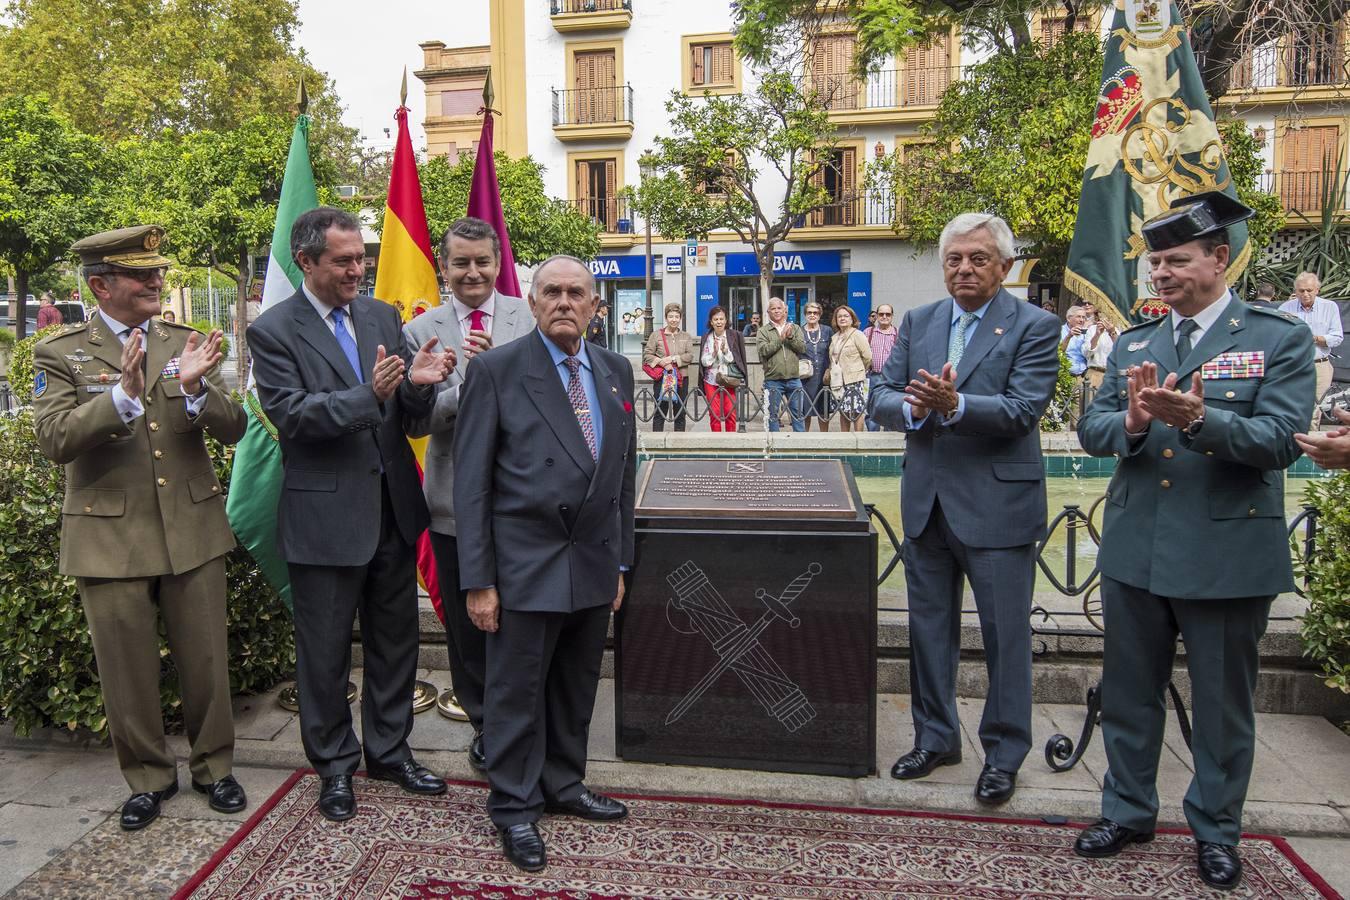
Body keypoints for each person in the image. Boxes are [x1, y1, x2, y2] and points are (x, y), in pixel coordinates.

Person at [1074, 192, 1315, 892]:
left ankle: (1215, 829)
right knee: (1128, 694)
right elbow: (1094, 434)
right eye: (1155, 263)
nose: (1161, 274)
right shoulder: (1136, 342)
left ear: (1218, 258)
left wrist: (1204, 421)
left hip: (1224, 554)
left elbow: (1279, 442)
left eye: (1176, 260)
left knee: (1220, 705)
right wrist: (1139, 423)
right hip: (1137, 548)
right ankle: (1126, 811)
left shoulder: (1276, 336)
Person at [32, 225, 248, 830]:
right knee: (126, 670)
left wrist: (198, 387)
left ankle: (215, 768)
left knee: (206, 660)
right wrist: (121, 398)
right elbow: (52, 440)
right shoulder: (61, 351)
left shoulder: (185, 342)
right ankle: (149, 778)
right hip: (108, 537)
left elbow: (236, 428)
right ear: (101, 285)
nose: (156, 281)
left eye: (157, 271)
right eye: (139, 274)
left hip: (192, 526)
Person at [246, 207, 454, 822]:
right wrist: (374, 394)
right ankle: (335, 766)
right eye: (343, 261)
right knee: (326, 653)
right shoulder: (273, 331)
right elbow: (294, 419)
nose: (358, 270)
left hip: (391, 513)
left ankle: (389, 752)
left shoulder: (381, 315)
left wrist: (419, 387)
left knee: (396, 644)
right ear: (306, 261)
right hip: (325, 521)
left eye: (361, 257)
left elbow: (408, 420)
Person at [869, 212, 1059, 808]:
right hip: (926, 504)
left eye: (978, 258)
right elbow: (880, 396)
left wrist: (955, 405)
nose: (964, 268)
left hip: (998, 507)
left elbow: (1023, 409)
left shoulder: (1034, 325)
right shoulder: (919, 321)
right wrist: (917, 410)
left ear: (1004, 266)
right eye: (954, 258)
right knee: (928, 632)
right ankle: (935, 738)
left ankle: (1003, 754)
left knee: (1005, 638)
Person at [453, 254, 635, 873]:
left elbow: (622, 478)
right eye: (551, 292)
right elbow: (471, 484)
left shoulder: (616, 371)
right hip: (522, 565)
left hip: (592, 561)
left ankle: (564, 783)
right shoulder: (498, 371)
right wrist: (479, 581)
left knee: (575, 685)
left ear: (594, 307)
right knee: (515, 692)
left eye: (576, 293)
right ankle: (514, 805)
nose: (563, 301)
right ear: (531, 305)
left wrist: (620, 566)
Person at [402, 216, 534, 771]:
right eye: (461, 262)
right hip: (455, 506)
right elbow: (415, 423)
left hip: (523, 506)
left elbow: (543, 404)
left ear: (498, 263)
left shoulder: (529, 316)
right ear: (444, 267)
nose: (473, 272)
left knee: (524, 623)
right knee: (465, 626)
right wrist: (464, 384)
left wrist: (496, 375)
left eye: (482, 261)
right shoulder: (420, 330)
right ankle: (482, 724)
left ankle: (526, 723)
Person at [1278, 272, 1343, 428]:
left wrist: (1312, 338)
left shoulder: (1329, 307)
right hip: (1293, 364)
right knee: (1290, 405)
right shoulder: (1285, 308)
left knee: (1315, 411)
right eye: (1301, 291)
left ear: (1317, 290)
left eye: (1309, 290)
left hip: (1320, 364)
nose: (1305, 294)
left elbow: (1337, 337)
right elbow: (1277, 335)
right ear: (1295, 291)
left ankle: (1310, 448)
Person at [757, 297, 807, 432]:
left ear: (785, 310)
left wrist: (790, 337)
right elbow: (763, 351)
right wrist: (781, 339)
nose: (776, 311)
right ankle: (775, 447)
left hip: (794, 378)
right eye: (773, 308)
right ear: (768, 312)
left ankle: (800, 446)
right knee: (772, 416)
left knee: (798, 414)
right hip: (773, 380)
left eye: (779, 308)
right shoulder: (763, 331)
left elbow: (802, 348)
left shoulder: (795, 328)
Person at [642, 302, 694, 432]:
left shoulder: (686, 336)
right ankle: (657, 443)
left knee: (680, 413)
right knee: (660, 412)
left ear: (680, 318)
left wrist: (672, 359)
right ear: (666, 318)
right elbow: (647, 355)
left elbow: (690, 356)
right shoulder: (656, 335)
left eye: (677, 317)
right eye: (671, 316)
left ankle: (680, 444)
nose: (674, 320)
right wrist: (661, 362)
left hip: (682, 378)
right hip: (663, 379)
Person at [699, 305, 746, 432]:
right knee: (714, 414)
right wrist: (714, 353)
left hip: (729, 378)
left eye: (721, 319)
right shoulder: (706, 338)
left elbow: (738, 359)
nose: (719, 322)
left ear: (726, 321)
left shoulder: (735, 336)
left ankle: (730, 442)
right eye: (716, 319)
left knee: (730, 412)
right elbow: (704, 362)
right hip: (711, 379)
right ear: (711, 322)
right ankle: (716, 442)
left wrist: (725, 351)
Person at [828, 306, 872, 432]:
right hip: (839, 381)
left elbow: (867, 357)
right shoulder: (835, 337)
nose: (842, 318)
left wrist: (857, 370)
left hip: (854, 380)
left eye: (846, 316)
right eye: (839, 316)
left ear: (852, 319)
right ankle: (845, 439)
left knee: (857, 411)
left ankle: (859, 439)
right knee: (843, 411)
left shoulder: (857, 334)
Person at [799, 301, 833, 430]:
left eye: (815, 313)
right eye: (809, 312)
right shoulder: (799, 331)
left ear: (819, 315)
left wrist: (830, 369)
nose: (812, 315)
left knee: (823, 411)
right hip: (805, 378)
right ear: (805, 314)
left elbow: (832, 351)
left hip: (823, 377)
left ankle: (824, 440)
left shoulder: (827, 330)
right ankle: (804, 441)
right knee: (804, 412)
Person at [864, 304, 898, 430]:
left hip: (892, 378)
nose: (884, 317)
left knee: (891, 408)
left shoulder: (898, 333)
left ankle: (888, 438)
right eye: (881, 314)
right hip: (874, 376)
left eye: (887, 314)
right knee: (872, 408)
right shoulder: (868, 332)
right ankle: (873, 438)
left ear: (892, 316)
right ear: (877, 316)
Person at [1083, 312, 1117, 392]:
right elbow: (1087, 353)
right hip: (1094, 373)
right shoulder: (1092, 329)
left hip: (1112, 376)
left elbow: (1121, 351)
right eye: (1100, 317)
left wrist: (1112, 333)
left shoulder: (1118, 331)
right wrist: (1097, 335)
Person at [1060, 305, 1090, 376]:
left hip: (1084, 375)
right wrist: (1069, 336)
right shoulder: (1059, 331)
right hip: (1066, 375)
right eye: (1078, 316)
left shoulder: (1086, 332)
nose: (1082, 320)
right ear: (1069, 318)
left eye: (1083, 317)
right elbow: (1059, 352)